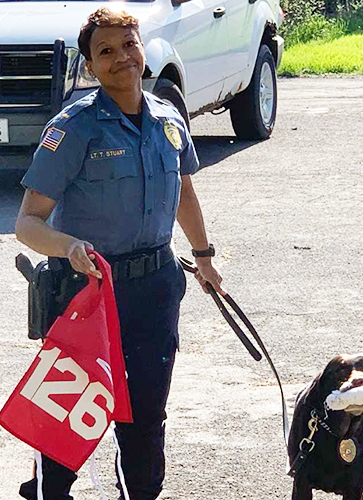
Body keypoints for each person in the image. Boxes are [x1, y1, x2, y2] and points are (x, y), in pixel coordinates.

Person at [15, 8, 224, 500]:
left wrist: (205, 257)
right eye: (105, 52)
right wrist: (69, 248)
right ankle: (49, 492)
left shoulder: (170, 117)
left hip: (155, 287)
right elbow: (27, 222)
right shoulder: (74, 127)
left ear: (142, 48)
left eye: (128, 45)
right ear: (90, 65)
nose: (121, 58)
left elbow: (185, 195)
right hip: (88, 292)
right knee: (69, 413)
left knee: (148, 414)